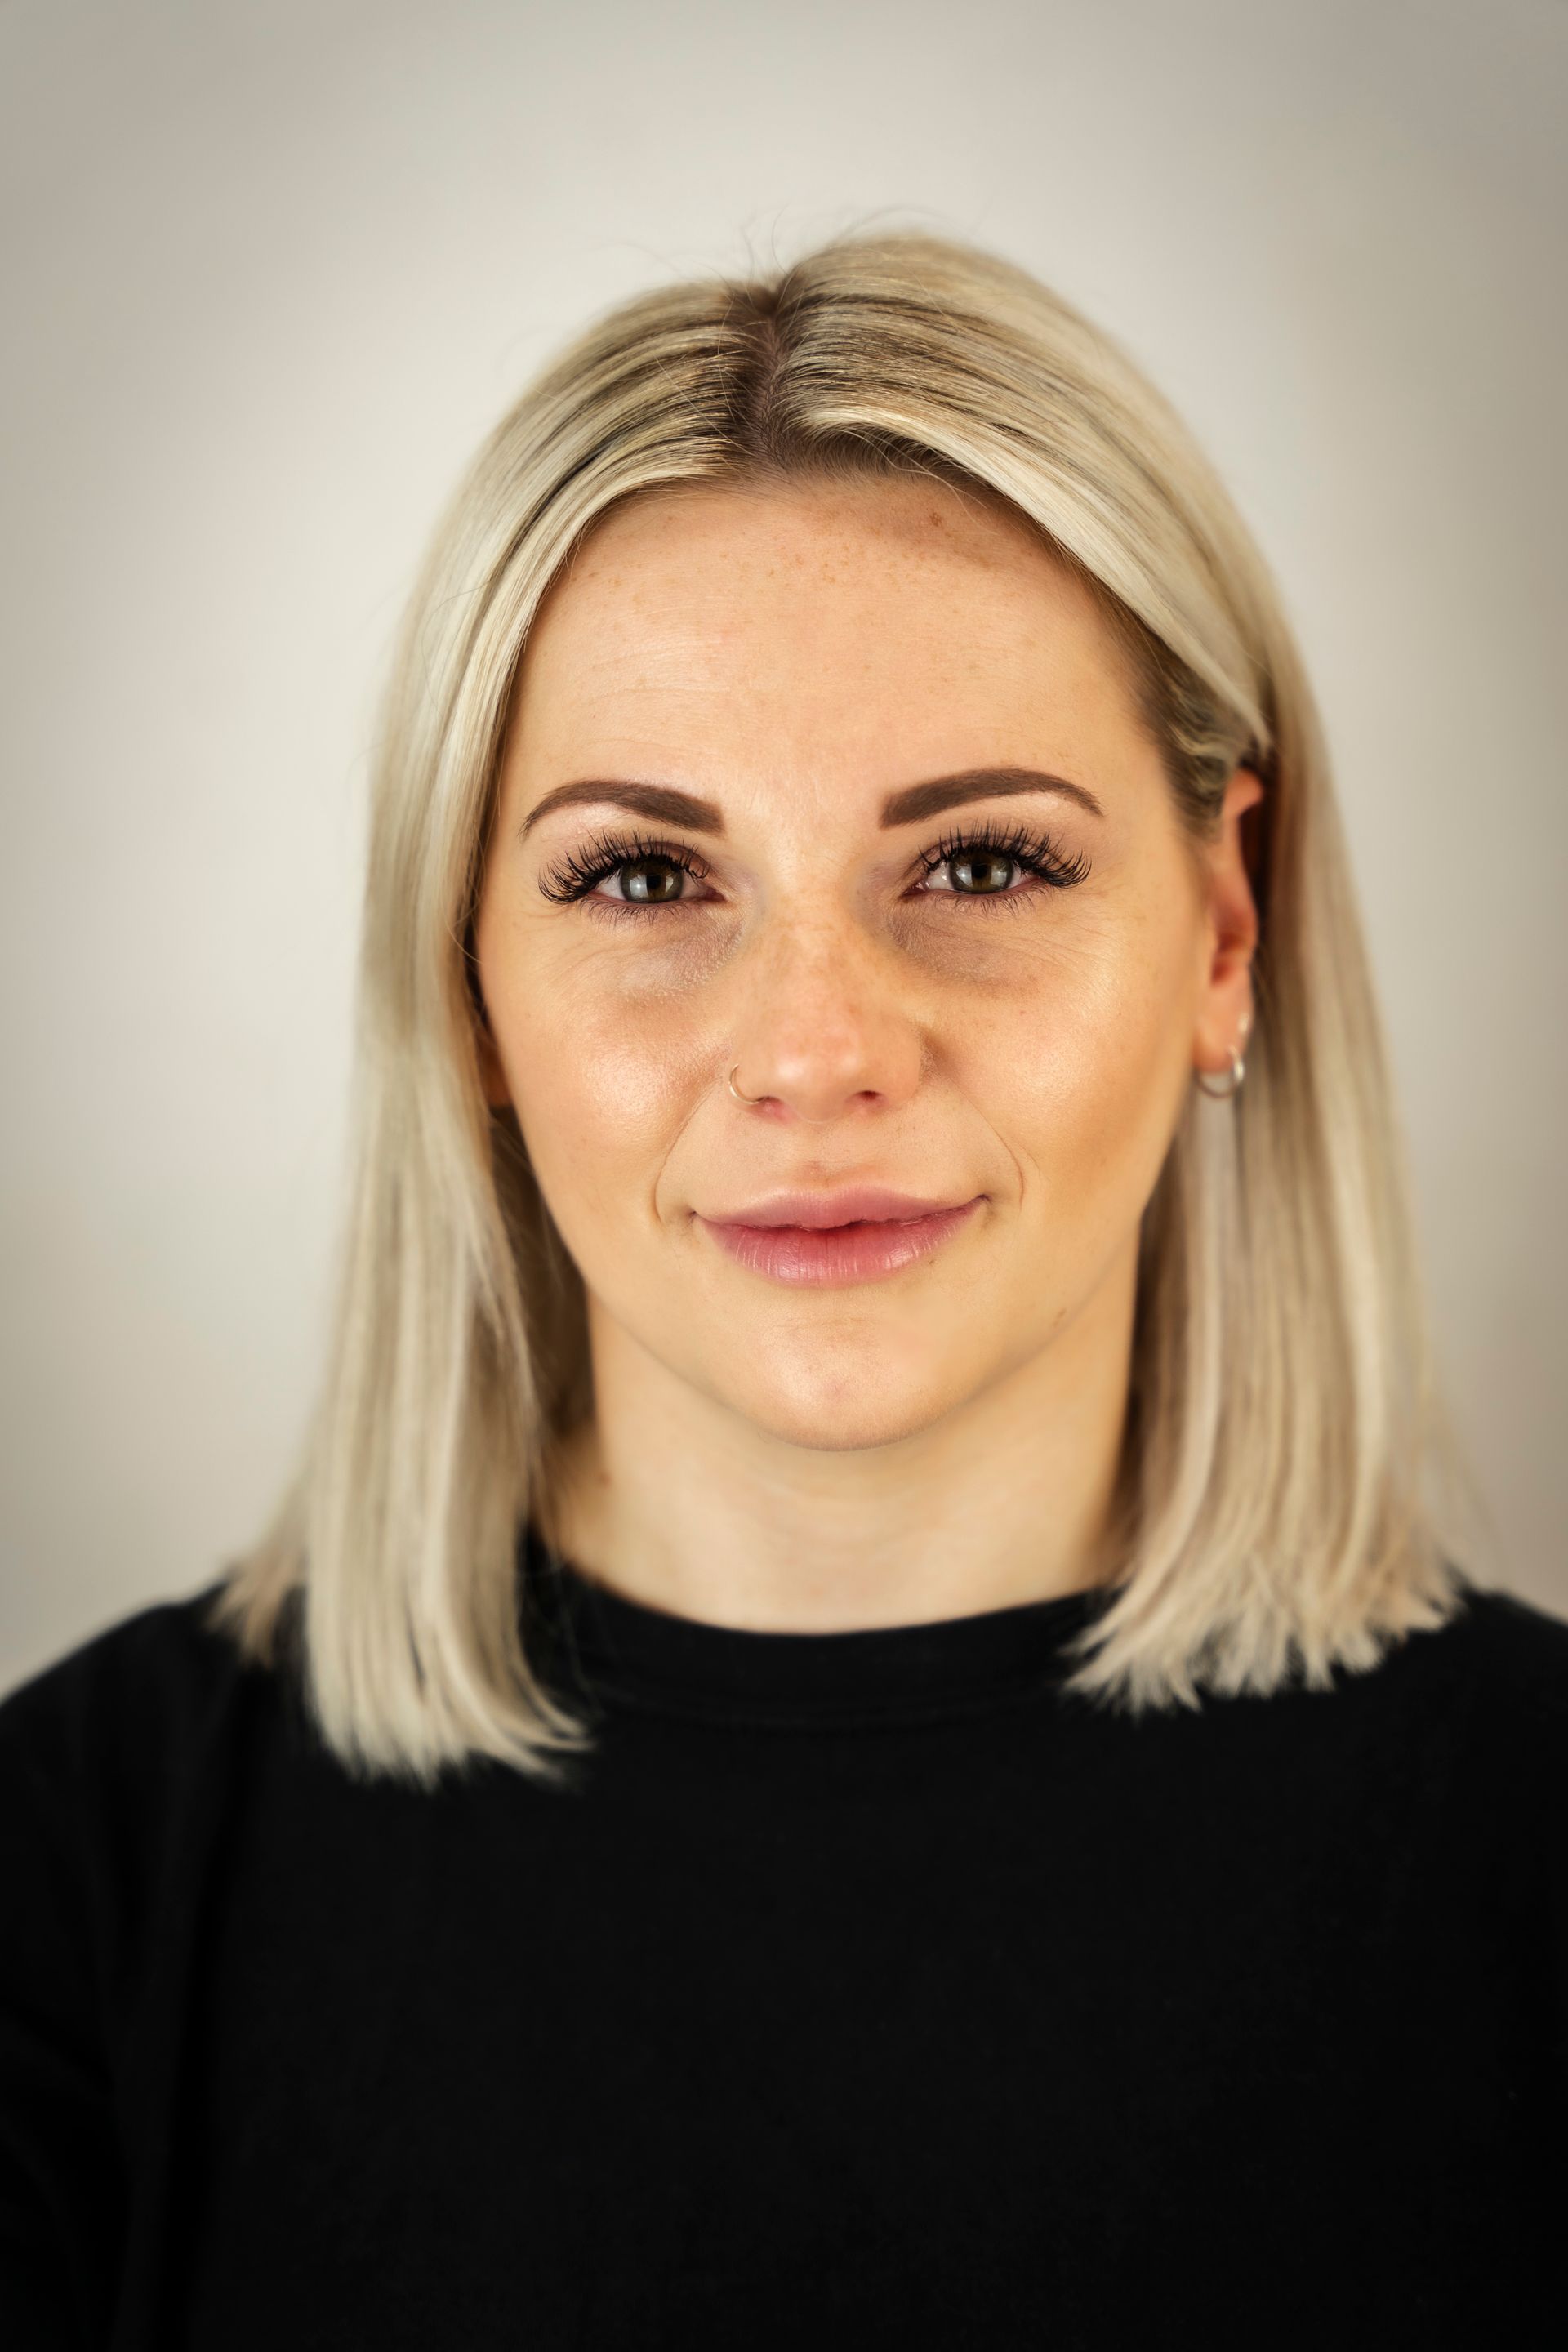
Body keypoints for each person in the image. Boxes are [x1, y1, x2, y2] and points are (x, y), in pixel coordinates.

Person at [1, 232, 1562, 2350]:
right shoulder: (74, 1881)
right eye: (645, 878)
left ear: (1220, 930)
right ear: (468, 989)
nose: (819, 1051)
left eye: (985, 864)